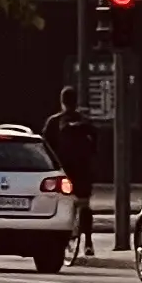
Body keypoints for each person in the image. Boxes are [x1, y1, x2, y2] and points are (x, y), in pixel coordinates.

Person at [45, 86, 105, 260]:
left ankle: (63, 239)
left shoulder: (54, 122)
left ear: (62, 101)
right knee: (85, 205)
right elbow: (95, 146)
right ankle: (88, 242)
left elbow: (47, 147)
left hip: (64, 170)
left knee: (63, 203)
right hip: (84, 170)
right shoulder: (86, 123)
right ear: (76, 101)